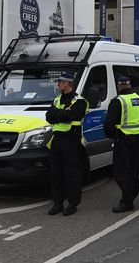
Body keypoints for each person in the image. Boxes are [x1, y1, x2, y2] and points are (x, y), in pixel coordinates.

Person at [45, 72, 87, 216]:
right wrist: (62, 113)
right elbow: (48, 116)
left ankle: (72, 203)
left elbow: (73, 116)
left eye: (60, 82)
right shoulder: (57, 99)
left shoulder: (79, 101)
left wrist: (58, 114)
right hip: (56, 140)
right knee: (56, 173)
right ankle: (58, 203)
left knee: (71, 173)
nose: (58, 85)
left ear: (67, 83)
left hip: (71, 140)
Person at [104, 76, 139, 213]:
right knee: (133, 169)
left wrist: (113, 135)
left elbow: (109, 123)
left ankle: (127, 202)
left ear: (119, 86)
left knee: (121, 171)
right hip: (138, 138)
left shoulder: (118, 101)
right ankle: (133, 192)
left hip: (123, 139)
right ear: (130, 85)